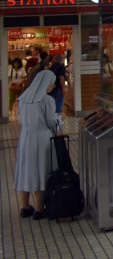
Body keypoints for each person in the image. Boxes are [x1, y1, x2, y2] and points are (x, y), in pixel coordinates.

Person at [14, 70, 58, 220]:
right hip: (41, 138)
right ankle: (39, 210)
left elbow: (20, 120)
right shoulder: (46, 100)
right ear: (46, 83)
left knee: (25, 170)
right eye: (52, 82)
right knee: (41, 170)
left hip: (25, 137)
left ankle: (25, 207)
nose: (53, 85)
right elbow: (51, 122)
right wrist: (59, 121)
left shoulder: (23, 98)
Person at [49, 54, 68, 124]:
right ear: (62, 59)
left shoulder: (51, 66)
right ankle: (58, 122)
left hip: (51, 89)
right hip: (58, 89)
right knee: (58, 107)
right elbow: (61, 78)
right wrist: (63, 88)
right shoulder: (61, 66)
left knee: (52, 106)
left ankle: (53, 121)